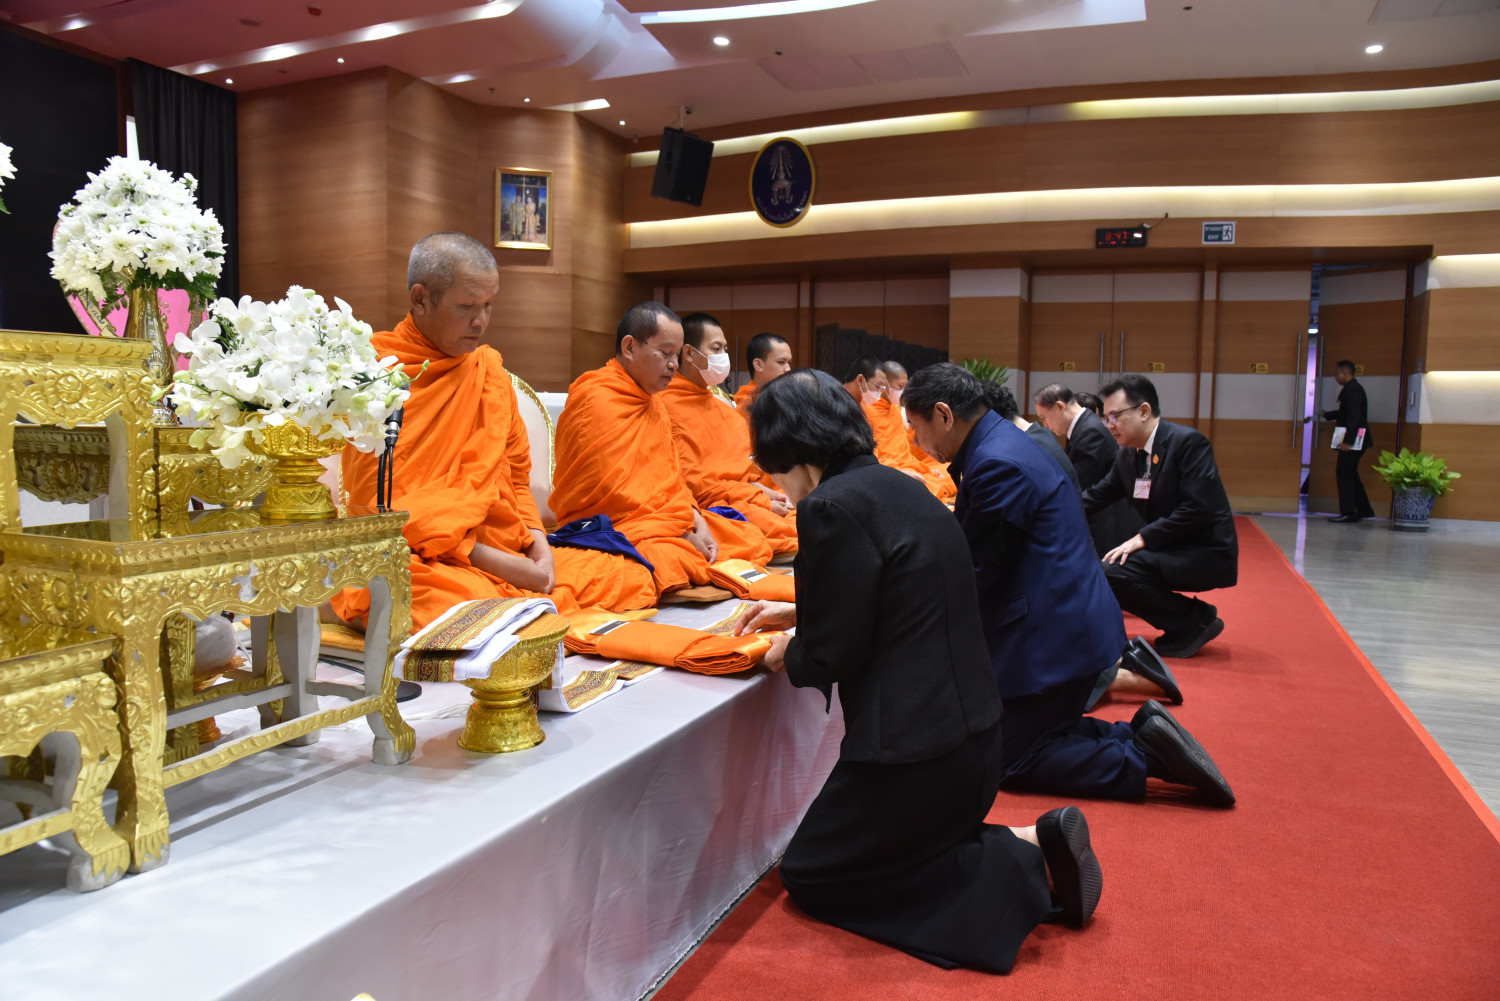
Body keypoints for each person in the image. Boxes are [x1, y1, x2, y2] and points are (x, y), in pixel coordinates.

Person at [734, 368, 1103, 972]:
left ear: (784, 449)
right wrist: (803, 606)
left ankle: (1021, 863)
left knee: (813, 871)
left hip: (914, 757)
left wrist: (787, 652)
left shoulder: (828, 506)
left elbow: (833, 653)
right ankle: (1027, 841)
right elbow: (895, 589)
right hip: (977, 740)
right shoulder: (899, 487)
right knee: (906, 851)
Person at [905, 363, 1233, 806]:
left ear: (944, 414)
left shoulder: (996, 462)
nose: (914, 440)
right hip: (1068, 615)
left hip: (1053, 631)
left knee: (1010, 758)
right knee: (1024, 731)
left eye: (915, 426)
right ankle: (1138, 734)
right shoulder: (1003, 441)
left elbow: (978, 570)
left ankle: (1144, 758)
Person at [332, 232, 651, 630]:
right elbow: (381, 513)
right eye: (467, 306)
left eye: (488, 305)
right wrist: (504, 566)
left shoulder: (489, 373)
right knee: (392, 591)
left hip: (505, 549)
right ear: (420, 298)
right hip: (430, 559)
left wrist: (538, 546)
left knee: (625, 571)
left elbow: (516, 476)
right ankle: (516, 610)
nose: (480, 320)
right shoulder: (378, 379)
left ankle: (514, 612)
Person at [549, 301, 772, 600]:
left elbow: (672, 477)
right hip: (612, 529)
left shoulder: (653, 401)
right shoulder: (597, 400)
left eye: (676, 355)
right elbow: (613, 496)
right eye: (665, 353)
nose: (675, 365)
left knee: (746, 536)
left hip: (660, 523)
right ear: (629, 347)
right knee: (640, 567)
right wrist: (678, 533)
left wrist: (696, 520)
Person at [1082, 375, 1238, 659]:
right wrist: (1050, 509)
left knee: (1113, 569)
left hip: (1204, 550)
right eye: (1105, 418)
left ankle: (1194, 621)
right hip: (1169, 547)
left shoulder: (1188, 443)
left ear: (1143, 411)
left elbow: (1198, 508)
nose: (1109, 425)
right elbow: (1095, 497)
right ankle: (1190, 619)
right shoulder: (1128, 456)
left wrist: (1142, 538)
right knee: (1109, 568)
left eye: (1115, 416)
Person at [659, 312, 797, 557]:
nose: (723, 356)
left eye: (725, 349)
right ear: (689, 353)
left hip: (745, 497)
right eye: (716, 348)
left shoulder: (724, 410)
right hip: (713, 507)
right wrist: (760, 498)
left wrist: (765, 493)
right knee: (773, 533)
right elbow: (694, 485)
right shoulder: (664, 406)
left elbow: (745, 473)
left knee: (799, 518)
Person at [1035, 383, 1143, 556]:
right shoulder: (1083, 428)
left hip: (1105, 524)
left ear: (1059, 407)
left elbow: (1079, 484)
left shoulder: (1091, 431)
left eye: (1044, 417)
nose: (1045, 425)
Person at [842, 357, 954, 499]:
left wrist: (923, 469)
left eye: (905, 387)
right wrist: (899, 471)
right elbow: (872, 458)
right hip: (887, 469)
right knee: (914, 484)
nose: (903, 392)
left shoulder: (895, 410)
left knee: (947, 470)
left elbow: (903, 450)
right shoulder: (862, 410)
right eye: (900, 387)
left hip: (907, 465)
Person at [1323, 359, 1376, 523]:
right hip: (1355, 439)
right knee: (1351, 474)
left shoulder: (1352, 391)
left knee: (1344, 473)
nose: (1335, 377)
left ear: (1344, 373)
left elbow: (1354, 418)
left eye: (1336, 373)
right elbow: (1346, 413)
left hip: (1354, 440)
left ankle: (1348, 512)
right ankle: (1363, 509)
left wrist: (1348, 441)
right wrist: (1328, 415)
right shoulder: (1352, 389)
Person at [732, 332, 793, 412]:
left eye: (789, 362)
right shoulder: (747, 406)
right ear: (758, 365)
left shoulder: (785, 396)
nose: (788, 369)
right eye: (781, 362)